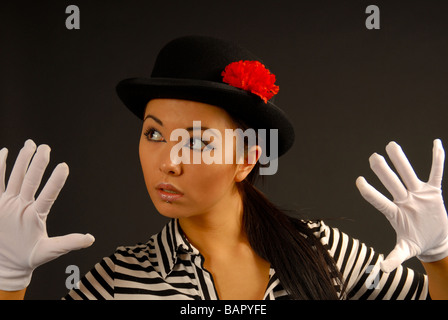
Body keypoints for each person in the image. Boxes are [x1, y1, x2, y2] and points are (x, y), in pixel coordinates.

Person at [0, 36, 447, 300]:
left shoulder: (320, 249)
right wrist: (9, 282)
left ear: (247, 158)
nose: (168, 162)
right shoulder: (117, 281)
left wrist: (440, 258)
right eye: (154, 134)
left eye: (196, 141)